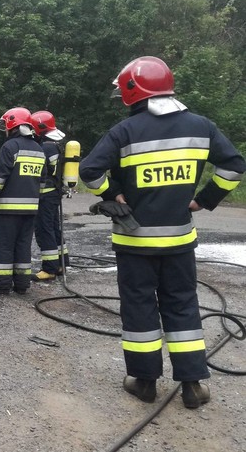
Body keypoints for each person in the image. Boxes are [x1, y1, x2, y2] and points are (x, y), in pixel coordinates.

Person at [79, 56, 245, 408]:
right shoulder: (201, 126)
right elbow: (234, 167)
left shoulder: (125, 132)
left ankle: (144, 382)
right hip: (179, 242)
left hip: (134, 243)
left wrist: (112, 194)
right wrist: (204, 200)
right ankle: (193, 385)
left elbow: (90, 170)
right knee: (182, 305)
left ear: (131, 91)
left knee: (139, 308)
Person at [0, 107, 45, 294]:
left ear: (12, 125)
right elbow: (42, 183)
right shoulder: (39, 150)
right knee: (23, 246)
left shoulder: (10, 147)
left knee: (3, 245)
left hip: (8, 210)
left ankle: (1, 284)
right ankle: (22, 284)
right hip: (30, 210)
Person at [31, 111, 69, 281]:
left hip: (45, 195)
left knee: (44, 229)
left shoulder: (44, 147)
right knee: (54, 228)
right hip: (54, 193)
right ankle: (61, 264)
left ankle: (49, 269)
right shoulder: (55, 145)